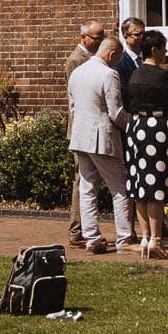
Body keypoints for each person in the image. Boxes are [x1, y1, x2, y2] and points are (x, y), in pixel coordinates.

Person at [67, 36, 136, 253]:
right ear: (112, 54)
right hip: (102, 137)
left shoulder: (77, 72)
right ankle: (125, 237)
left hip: (80, 136)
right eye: (117, 58)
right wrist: (132, 124)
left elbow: (73, 107)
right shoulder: (109, 74)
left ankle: (92, 238)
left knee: (88, 188)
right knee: (120, 186)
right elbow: (116, 113)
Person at [123, 28, 168, 259]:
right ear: (155, 49)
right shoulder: (163, 76)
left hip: (136, 128)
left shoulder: (134, 75)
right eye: (164, 47)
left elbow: (128, 104)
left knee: (139, 186)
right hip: (157, 129)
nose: (166, 52)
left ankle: (146, 237)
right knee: (156, 187)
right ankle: (157, 239)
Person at [64, 21, 105, 241]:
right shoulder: (76, 61)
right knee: (82, 179)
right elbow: (75, 100)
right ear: (83, 38)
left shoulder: (94, 59)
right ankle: (76, 228)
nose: (100, 43)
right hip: (81, 129)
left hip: (90, 128)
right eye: (97, 39)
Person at [117, 17, 146, 87]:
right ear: (126, 36)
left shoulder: (149, 55)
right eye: (137, 35)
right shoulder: (120, 62)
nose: (141, 37)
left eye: (142, 33)